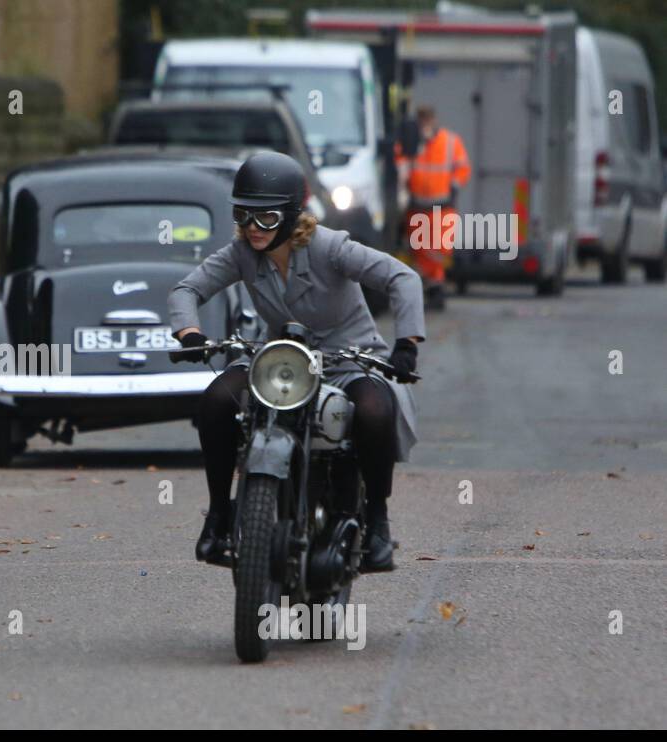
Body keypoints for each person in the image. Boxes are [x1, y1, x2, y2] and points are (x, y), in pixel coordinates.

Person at [168, 151, 424, 573]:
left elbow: (402, 277)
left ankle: (377, 521)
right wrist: (189, 334)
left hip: (348, 360)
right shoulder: (241, 254)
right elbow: (186, 290)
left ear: (290, 216)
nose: (253, 229)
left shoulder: (331, 247)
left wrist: (407, 344)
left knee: (375, 411)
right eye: (244, 216)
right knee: (216, 401)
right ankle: (219, 516)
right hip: (280, 361)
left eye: (266, 219)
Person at [396, 105, 471, 310]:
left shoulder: (449, 141)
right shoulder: (410, 143)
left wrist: (454, 188)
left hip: (442, 206)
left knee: (438, 249)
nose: (425, 125)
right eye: (422, 121)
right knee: (420, 249)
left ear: (434, 120)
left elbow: (463, 168)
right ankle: (431, 289)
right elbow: (400, 164)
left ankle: (435, 287)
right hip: (417, 205)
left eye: (428, 120)